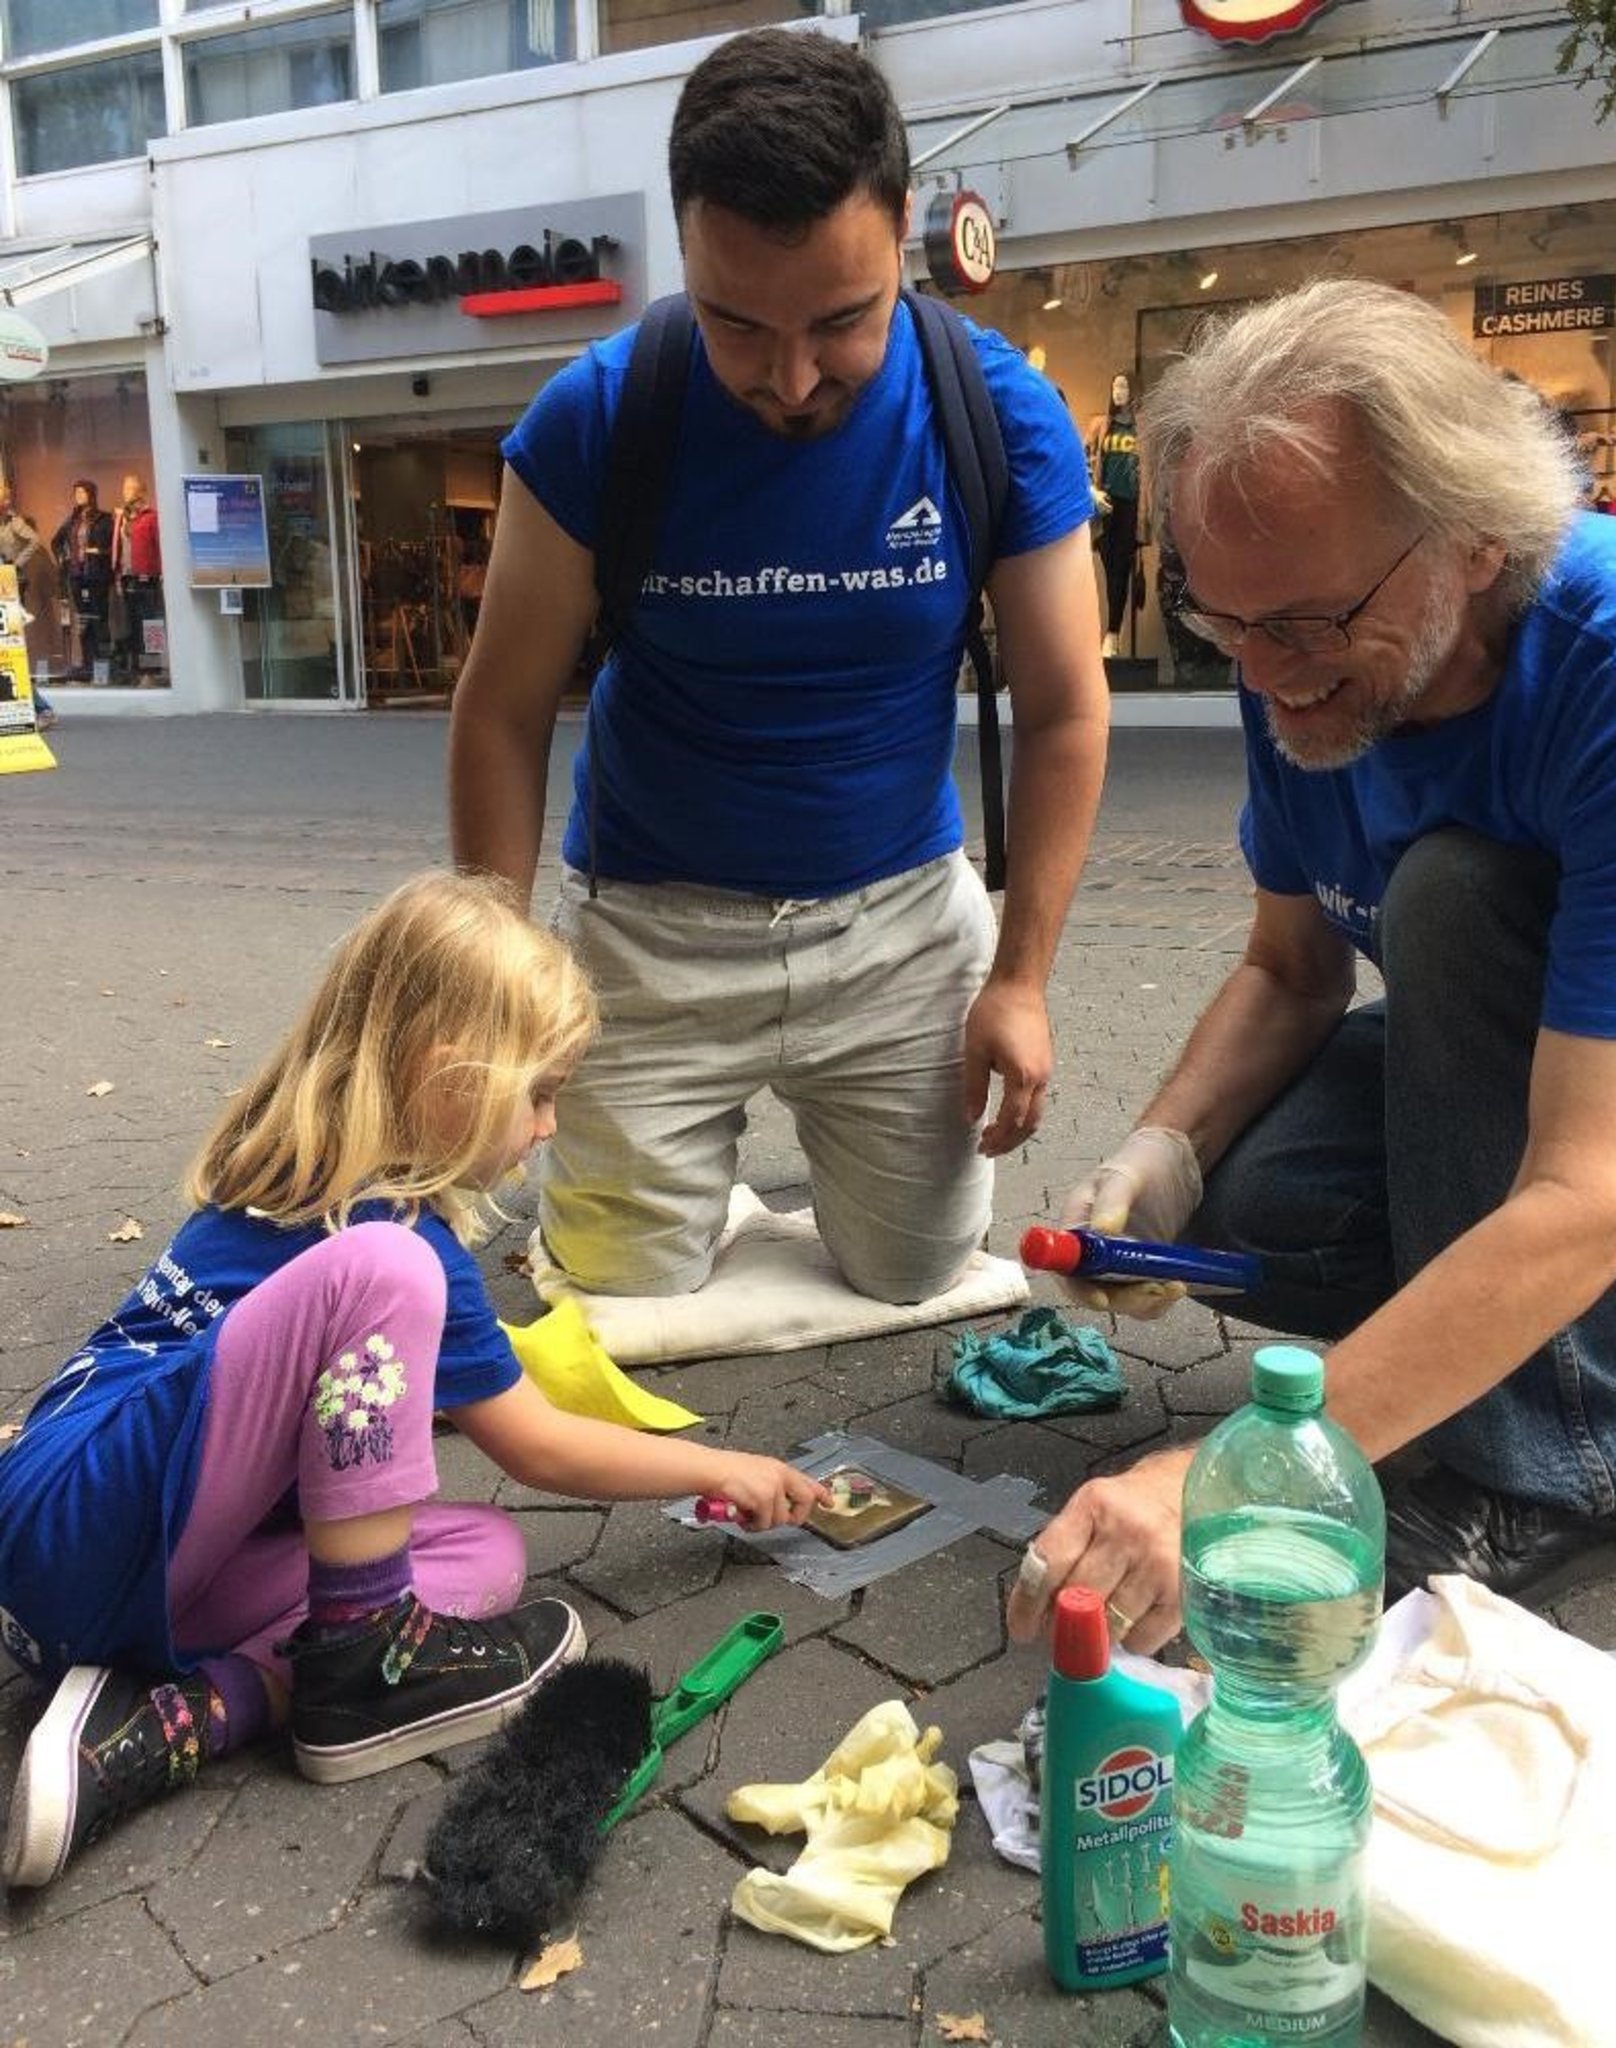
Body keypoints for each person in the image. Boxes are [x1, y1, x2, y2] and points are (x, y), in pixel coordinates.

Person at [1008, 278, 1616, 1653]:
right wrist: (1159, 1154)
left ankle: (1566, 1454)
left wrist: (1240, 1473)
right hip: (1556, 1094)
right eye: (1219, 622)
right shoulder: (1290, 659)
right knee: (1255, 1199)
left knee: (1454, 894)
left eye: (1301, 622)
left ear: (1473, 538)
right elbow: (1291, 970)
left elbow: (1595, 1185)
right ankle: (1521, 1343)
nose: (1261, 673)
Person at [0, 871, 826, 1891]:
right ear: (450, 1076)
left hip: (112, 1579)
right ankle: (363, 1655)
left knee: (483, 1548)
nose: (548, 1126)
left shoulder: (296, 1184)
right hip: (70, 1515)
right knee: (392, 1279)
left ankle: (187, 1714)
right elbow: (534, 1444)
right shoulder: (387, 1232)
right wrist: (718, 1464)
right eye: (540, 1090)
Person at [450, 29, 1106, 1307]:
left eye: (843, 322)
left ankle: (752, 1185)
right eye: (736, 323)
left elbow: (1070, 710)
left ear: (906, 227)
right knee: (620, 1299)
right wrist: (495, 974)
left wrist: (1020, 977)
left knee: (912, 1276)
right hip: (647, 932)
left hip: (900, 930)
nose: (792, 378)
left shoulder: (998, 412)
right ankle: (666, 1188)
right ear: (685, 246)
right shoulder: (595, 416)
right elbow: (500, 708)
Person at [1092, 373, 1139, 660]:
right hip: (1106, 504)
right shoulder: (1100, 425)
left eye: (1123, 386)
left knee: (1121, 568)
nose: (1118, 391)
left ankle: (1112, 633)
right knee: (1109, 567)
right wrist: (1091, 491)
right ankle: (1111, 631)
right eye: (1115, 386)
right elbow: (1084, 457)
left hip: (1131, 504)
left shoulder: (1140, 428)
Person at [0, 482, 52, 726]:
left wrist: (15, 564)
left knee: (9, 651)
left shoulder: (14, 522)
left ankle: (42, 708)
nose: (6, 503)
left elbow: (34, 541)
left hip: (9, 586)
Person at [51, 478, 113, 681]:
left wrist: (98, 553)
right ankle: (87, 665)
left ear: (91, 495)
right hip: (77, 577)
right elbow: (56, 542)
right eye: (75, 493)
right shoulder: (72, 520)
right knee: (84, 620)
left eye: (82, 492)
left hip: (96, 577)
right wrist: (64, 560)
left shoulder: (103, 518)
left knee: (99, 619)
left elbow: (110, 547)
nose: (78, 496)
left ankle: (102, 666)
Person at [109, 472, 163, 685]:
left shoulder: (151, 517)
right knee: (131, 626)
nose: (126, 492)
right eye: (124, 488)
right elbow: (118, 547)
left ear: (142, 491)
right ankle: (136, 671)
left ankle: (151, 672)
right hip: (127, 577)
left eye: (131, 488)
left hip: (147, 577)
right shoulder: (121, 518)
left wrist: (162, 573)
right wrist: (117, 574)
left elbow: (160, 546)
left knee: (151, 626)